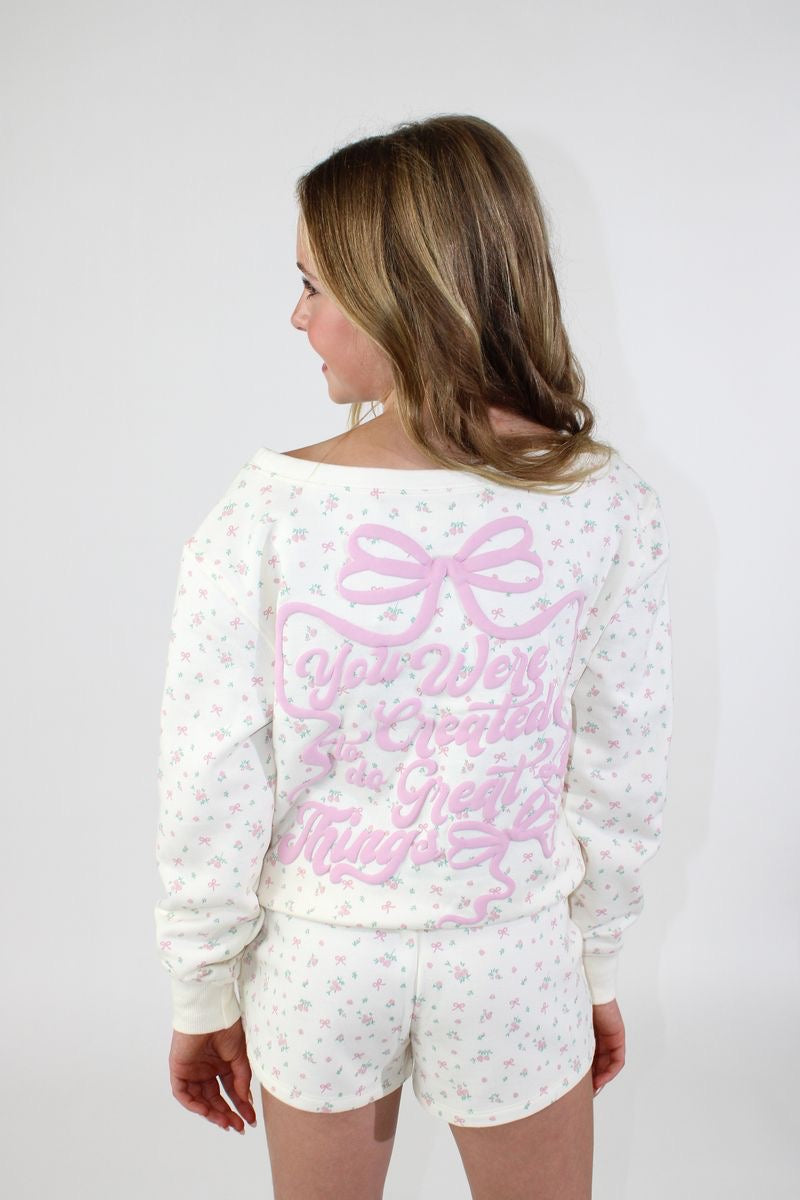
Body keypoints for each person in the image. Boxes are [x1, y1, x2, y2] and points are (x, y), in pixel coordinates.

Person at [154, 113, 673, 1200]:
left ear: (404, 295)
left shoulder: (266, 510)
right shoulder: (602, 501)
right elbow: (621, 761)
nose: (296, 316)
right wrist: (594, 958)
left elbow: (211, 770)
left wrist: (204, 988)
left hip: (322, 958)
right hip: (512, 949)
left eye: (315, 286)